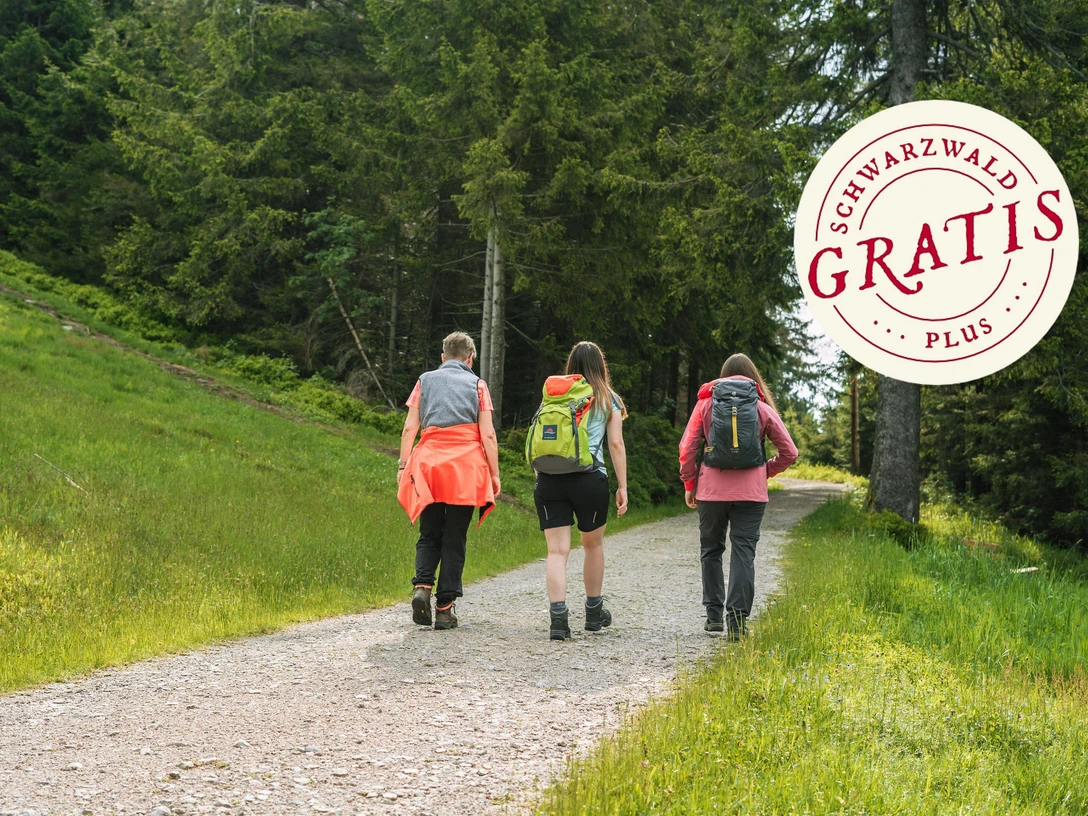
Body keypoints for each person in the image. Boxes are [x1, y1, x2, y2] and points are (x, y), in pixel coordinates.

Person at [678, 353, 797, 640]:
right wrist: (765, 471)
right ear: (753, 378)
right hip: (751, 494)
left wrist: (690, 482)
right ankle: (737, 622)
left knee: (711, 550)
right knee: (744, 552)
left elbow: (688, 447)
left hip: (711, 492)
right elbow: (790, 452)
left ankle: (713, 618)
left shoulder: (705, 404)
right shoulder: (761, 408)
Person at [397, 332, 501, 631]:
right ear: (471, 358)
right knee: (455, 537)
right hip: (465, 469)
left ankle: (422, 587)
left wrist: (403, 466)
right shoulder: (478, 384)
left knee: (429, 532)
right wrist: (494, 474)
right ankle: (444, 609)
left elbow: (410, 428)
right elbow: (488, 434)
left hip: (429, 466)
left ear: (443, 357)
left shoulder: (425, 380)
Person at [533, 341, 629, 641]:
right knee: (593, 545)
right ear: (601, 365)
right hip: (590, 479)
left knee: (556, 551)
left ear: (571, 364)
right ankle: (593, 613)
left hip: (550, 478)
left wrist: (541, 472)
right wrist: (623, 485)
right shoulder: (607, 398)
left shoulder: (554, 394)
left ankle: (558, 619)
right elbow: (615, 444)